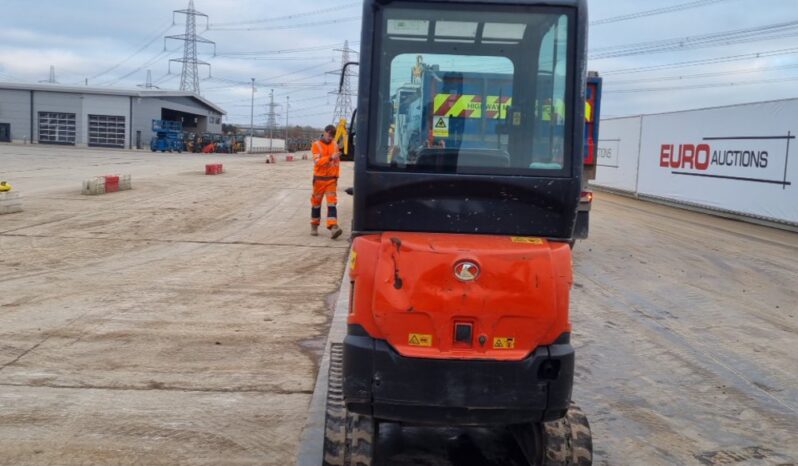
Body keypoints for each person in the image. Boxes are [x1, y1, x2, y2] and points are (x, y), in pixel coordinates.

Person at [310, 125, 343, 239]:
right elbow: (317, 161)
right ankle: (314, 225)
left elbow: (337, 163)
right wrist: (330, 157)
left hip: (331, 180)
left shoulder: (335, 144)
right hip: (319, 179)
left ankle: (333, 227)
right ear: (324, 132)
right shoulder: (316, 145)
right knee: (316, 203)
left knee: (332, 203)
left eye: (332, 136)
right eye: (329, 135)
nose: (330, 138)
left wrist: (336, 177)